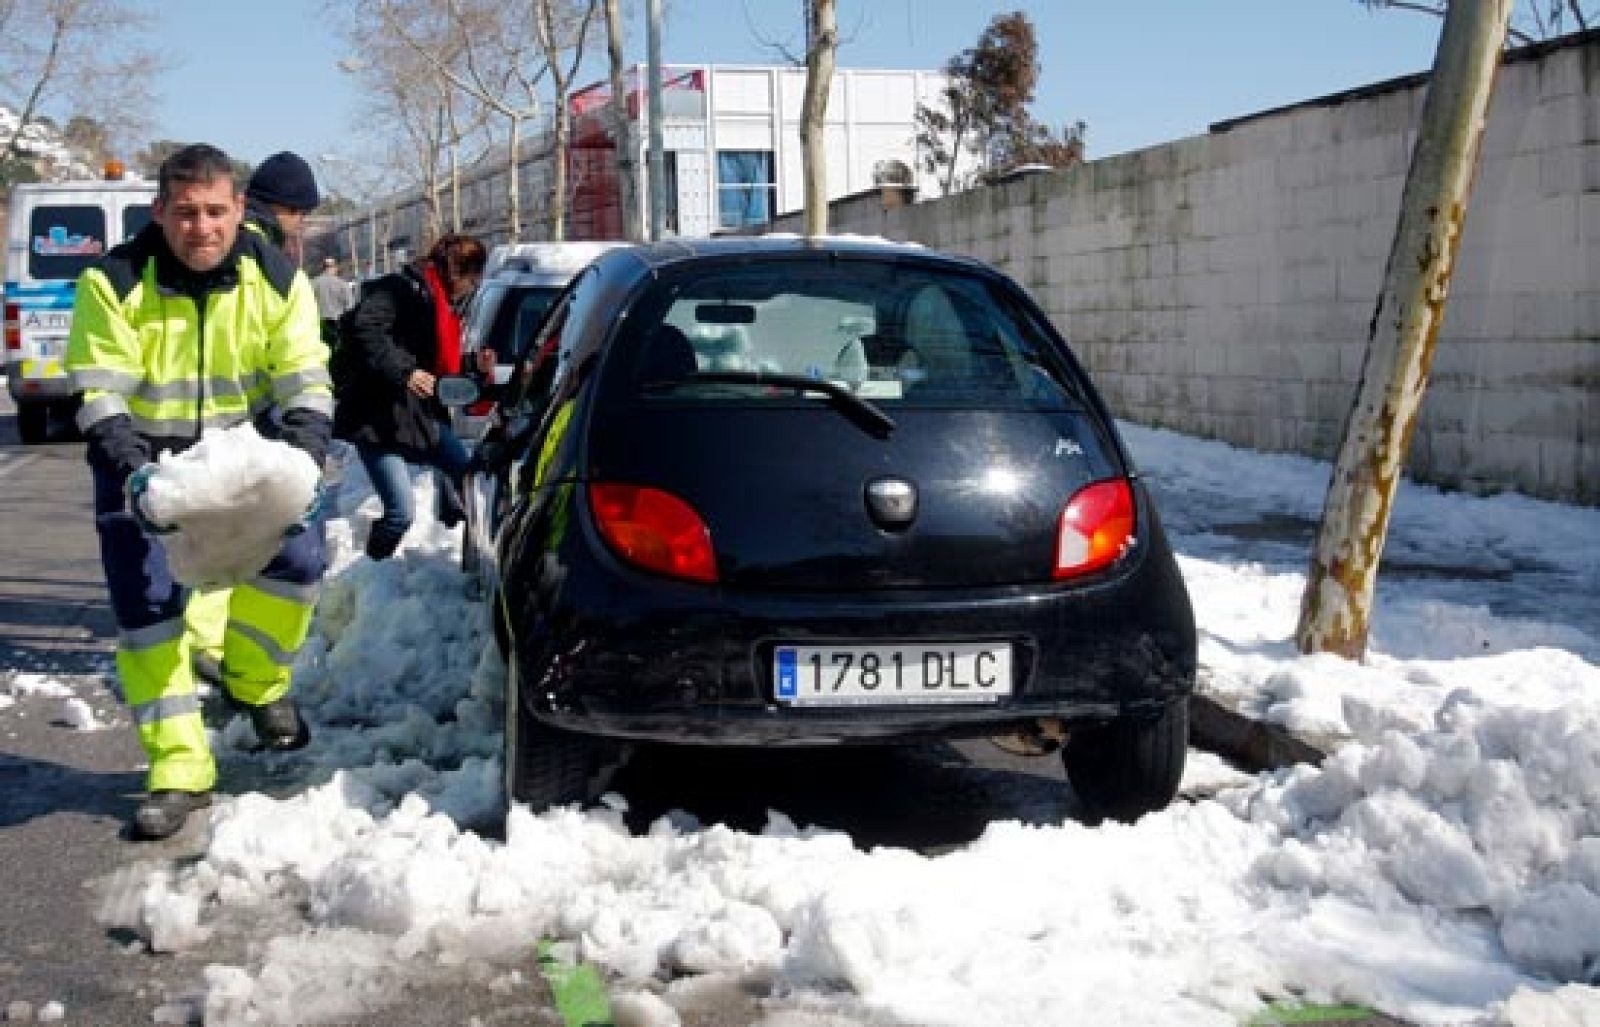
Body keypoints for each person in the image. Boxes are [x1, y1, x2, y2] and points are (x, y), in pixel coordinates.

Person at [66, 143, 333, 841]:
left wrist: (304, 462)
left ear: (239, 210)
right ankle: (179, 770)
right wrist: (137, 475)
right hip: (141, 466)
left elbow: (305, 379)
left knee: (299, 563)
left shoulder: (276, 278)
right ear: (159, 211)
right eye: (186, 212)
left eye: (215, 211)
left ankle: (255, 683)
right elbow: (99, 394)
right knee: (149, 612)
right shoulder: (113, 281)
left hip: (242, 460)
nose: (202, 227)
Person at [332, 233, 487, 560]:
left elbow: (434, 362)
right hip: (377, 420)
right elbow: (364, 327)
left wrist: (474, 363)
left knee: (470, 479)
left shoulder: (438, 302)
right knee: (401, 512)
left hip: (419, 417)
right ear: (456, 272)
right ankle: (373, 568)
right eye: (472, 279)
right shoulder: (402, 289)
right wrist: (406, 372)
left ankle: (475, 558)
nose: (471, 288)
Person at [244, 150, 321, 265]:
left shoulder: (238, 237)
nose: (302, 222)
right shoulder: (262, 252)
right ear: (288, 207)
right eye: (304, 213)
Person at [312, 255, 355, 345]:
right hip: (337, 323)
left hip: (319, 323)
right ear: (335, 267)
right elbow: (350, 306)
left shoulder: (313, 283)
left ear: (323, 268)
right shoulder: (342, 284)